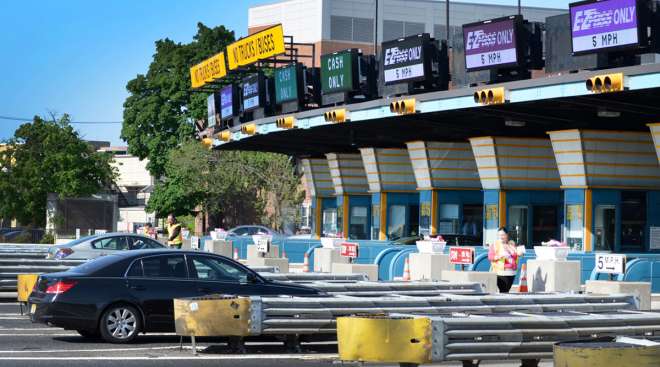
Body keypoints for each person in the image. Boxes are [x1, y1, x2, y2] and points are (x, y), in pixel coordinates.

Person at [488, 227, 525, 293]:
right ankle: (502, 302)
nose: (501, 237)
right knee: (503, 290)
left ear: (506, 235)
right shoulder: (495, 245)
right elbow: (490, 257)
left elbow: (516, 254)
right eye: (499, 235)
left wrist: (519, 254)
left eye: (503, 235)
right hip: (500, 272)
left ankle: (503, 302)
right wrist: (499, 256)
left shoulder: (511, 244)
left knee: (506, 291)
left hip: (511, 272)